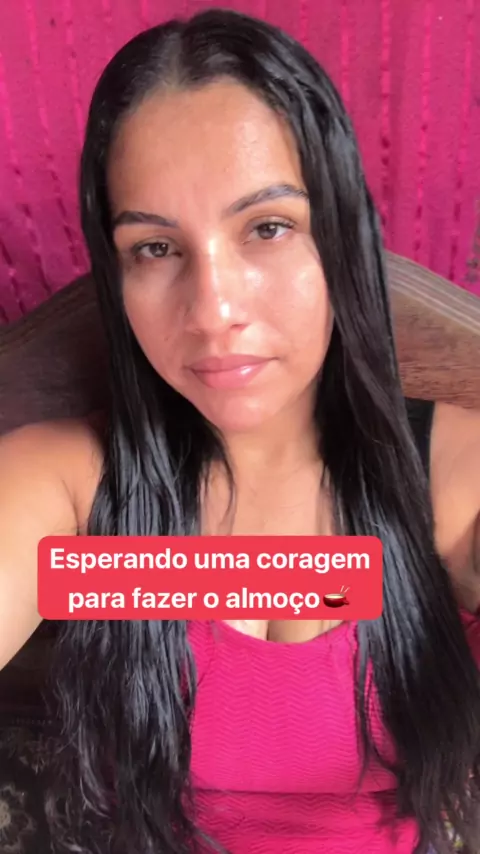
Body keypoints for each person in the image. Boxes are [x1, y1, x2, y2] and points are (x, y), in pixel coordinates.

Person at [0, 8, 479, 854]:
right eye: (155, 248)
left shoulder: (454, 474)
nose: (213, 312)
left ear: (340, 235)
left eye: (267, 227)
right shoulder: (64, 481)